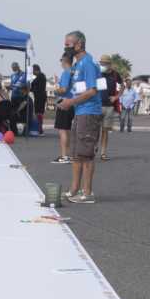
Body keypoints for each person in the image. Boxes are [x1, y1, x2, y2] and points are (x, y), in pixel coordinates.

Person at [58, 30, 102, 203]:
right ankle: (74, 189)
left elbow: (92, 90)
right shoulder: (77, 66)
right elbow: (76, 89)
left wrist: (71, 102)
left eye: (68, 44)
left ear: (79, 44)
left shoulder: (88, 63)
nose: (65, 47)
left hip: (90, 112)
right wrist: (67, 100)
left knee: (86, 154)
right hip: (80, 112)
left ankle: (88, 192)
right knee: (76, 154)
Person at [52, 48, 75, 163]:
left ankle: (64, 156)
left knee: (62, 130)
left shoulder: (66, 72)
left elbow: (64, 89)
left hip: (64, 102)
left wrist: (56, 90)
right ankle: (68, 154)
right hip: (72, 102)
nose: (60, 62)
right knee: (67, 129)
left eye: (61, 60)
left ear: (65, 60)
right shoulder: (73, 72)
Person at [99, 58, 120, 159]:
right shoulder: (97, 72)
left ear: (109, 64)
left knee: (105, 130)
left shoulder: (115, 74)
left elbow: (122, 85)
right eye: (100, 63)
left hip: (109, 107)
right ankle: (93, 148)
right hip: (96, 105)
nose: (101, 65)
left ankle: (103, 153)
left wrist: (116, 97)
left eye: (103, 63)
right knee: (94, 130)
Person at [30, 64, 47, 133]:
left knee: (39, 113)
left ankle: (39, 128)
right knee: (38, 113)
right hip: (39, 97)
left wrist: (31, 88)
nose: (32, 73)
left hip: (40, 97)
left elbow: (37, 87)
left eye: (33, 71)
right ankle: (39, 128)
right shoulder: (40, 77)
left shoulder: (41, 77)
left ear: (36, 70)